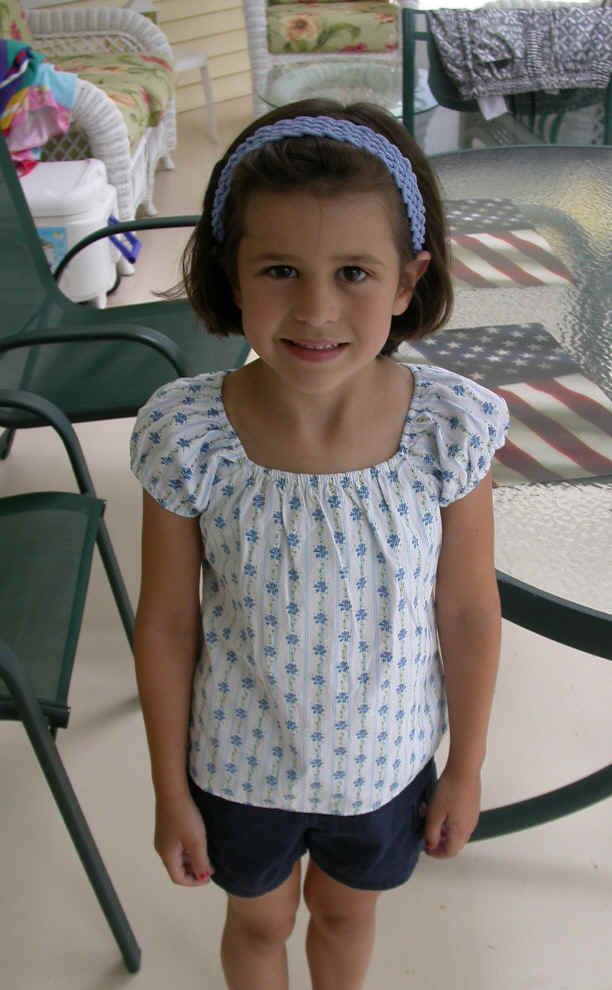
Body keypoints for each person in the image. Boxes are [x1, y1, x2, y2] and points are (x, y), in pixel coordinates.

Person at [130, 98, 509, 990]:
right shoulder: (187, 437)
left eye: (353, 272)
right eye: (279, 269)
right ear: (230, 272)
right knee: (259, 926)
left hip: (385, 766)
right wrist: (169, 790)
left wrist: (466, 770)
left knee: (345, 916)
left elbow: (467, 610)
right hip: (236, 767)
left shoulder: (448, 428)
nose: (315, 309)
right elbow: (168, 624)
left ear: (409, 280)